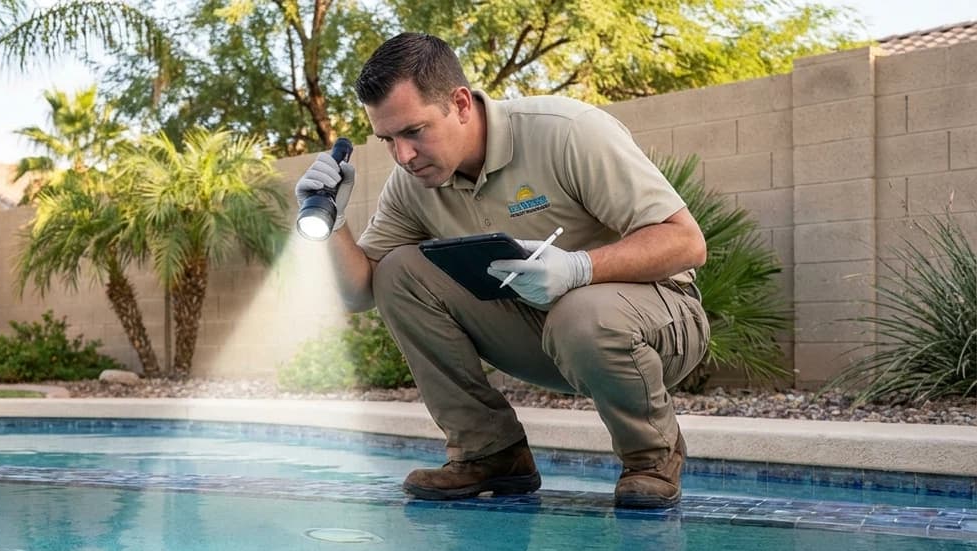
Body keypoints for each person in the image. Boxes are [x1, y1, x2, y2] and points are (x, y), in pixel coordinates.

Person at [294, 33, 709, 508]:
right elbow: (359, 293)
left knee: (584, 313)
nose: (403, 156)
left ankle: (651, 458)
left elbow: (686, 241)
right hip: (543, 332)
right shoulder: (412, 184)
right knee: (396, 271)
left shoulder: (566, 131)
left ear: (461, 103)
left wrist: (579, 267)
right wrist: (334, 223)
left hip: (660, 324)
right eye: (388, 139)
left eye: (414, 131)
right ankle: (490, 453)